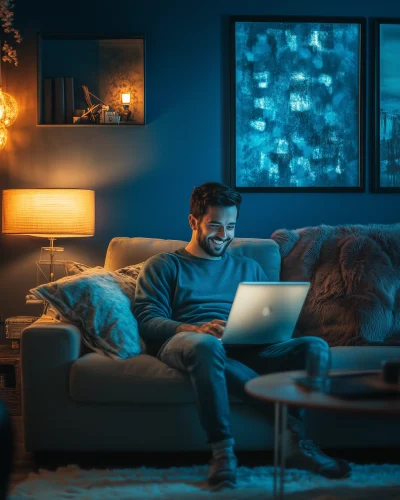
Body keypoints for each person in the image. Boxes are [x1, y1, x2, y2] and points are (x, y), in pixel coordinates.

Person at [133, 182, 351, 491]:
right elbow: (147, 318)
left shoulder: (248, 267)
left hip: (243, 346)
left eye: (231, 226)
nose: (224, 235)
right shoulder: (165, 265)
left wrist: (273, 330)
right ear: (193, 222)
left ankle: (296, 442)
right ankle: (224, 453)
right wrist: (194, 328)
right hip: (190, 342)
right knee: (209, 346)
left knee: (314, 346)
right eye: (215, 226)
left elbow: (270, 317)